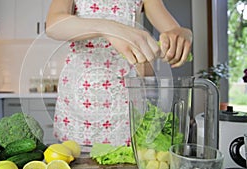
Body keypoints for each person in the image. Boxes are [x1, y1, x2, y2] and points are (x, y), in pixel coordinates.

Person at [45, 0, 192, 146]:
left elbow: (172, 31)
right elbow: (53, 25)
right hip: (78, 100)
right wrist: (109, 27)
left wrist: (182, 33)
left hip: (124, 102)